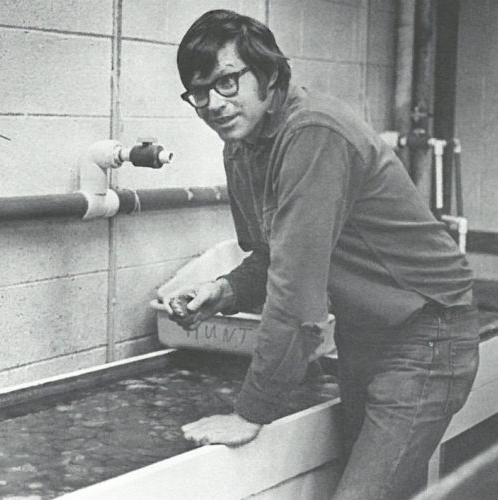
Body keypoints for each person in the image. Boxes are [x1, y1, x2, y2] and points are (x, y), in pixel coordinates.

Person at [166, 9, 480, 500]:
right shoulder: (243, 147)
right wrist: (222, 291)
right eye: (199, 93)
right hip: (366, 336)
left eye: (227, 82)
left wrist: (251, 412)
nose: (213, 104)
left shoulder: (314, 132)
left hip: (427, 333)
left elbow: (296, 295)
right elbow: (273, 258)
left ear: (268, 73)